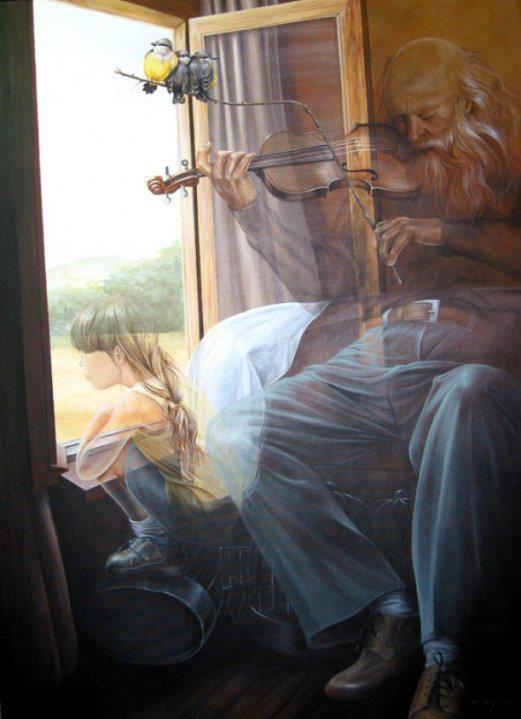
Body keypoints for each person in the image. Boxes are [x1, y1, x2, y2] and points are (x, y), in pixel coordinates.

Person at [196, 39, 521, 718]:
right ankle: (386, 608)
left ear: (471, 106)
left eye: (428, 116)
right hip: (388, 347)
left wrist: (440, 232)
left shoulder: (508, 170)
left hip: (484, 351)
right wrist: (250, 206)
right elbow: (323, 286)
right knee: (238, 431)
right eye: (402, 120)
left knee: (465, 399)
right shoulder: (382, 185)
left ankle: (445, 656)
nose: (413, 135)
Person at [72, 294, 233, 575]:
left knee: (122, 454)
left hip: (208, 519)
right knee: (128, 446)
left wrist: (102, 415)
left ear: (118, 354)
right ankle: (156, 541)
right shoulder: (167, 379)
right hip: (225, 509)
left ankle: (154, 543)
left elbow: (86, 467)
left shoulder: (138, 401)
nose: (79, 363)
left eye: (84, 352)